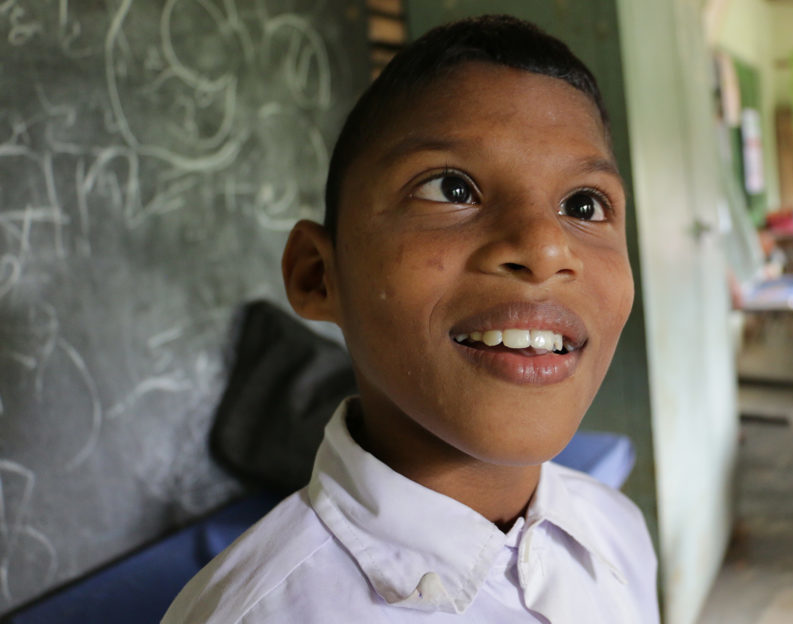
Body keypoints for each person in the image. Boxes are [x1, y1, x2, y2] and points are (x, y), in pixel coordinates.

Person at [163, 15, 658, 623]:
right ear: (319, 276)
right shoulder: (257, 614)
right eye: (451, 189)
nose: (545, 246)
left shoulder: (617, 533)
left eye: (583, 205)